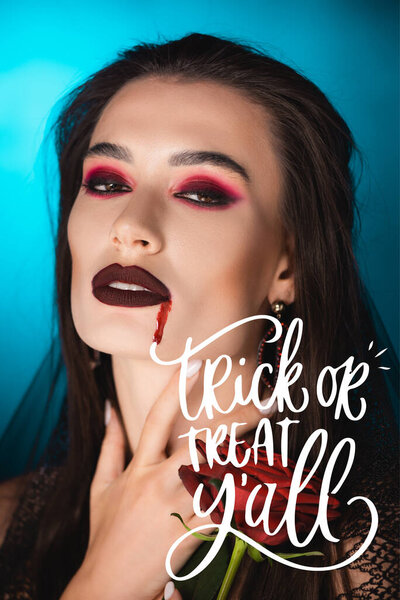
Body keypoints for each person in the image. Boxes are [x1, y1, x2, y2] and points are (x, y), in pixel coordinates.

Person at [0, 33, 398, 600]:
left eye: (202, 193)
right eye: (107, 182)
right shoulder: (5, 525)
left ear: (289, 265)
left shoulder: (363, 562)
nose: (130, 227)